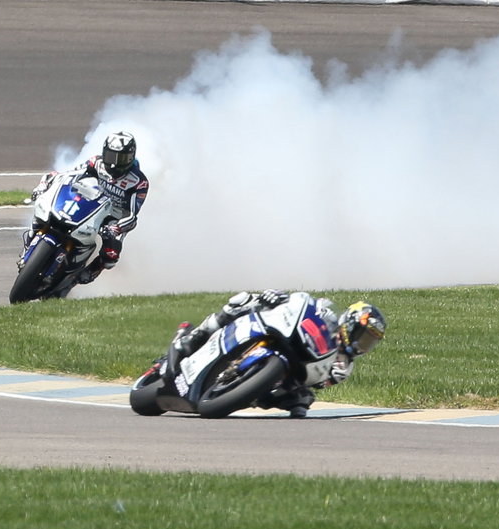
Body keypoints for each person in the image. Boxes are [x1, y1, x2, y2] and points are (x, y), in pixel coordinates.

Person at [166, 290, 387, 417]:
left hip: (289, 376)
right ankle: (195, 335)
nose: (362, 345)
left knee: (302, 401)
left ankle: (240, 393)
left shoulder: (344, 367)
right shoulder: (327, 315)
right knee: (242, 301)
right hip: (286, 337)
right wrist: (279, 297)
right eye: (363, 336)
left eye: (369, 342)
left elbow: (318, 385)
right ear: (349, 324)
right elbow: (303, 304)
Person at [25, 131, 149, 283]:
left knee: (111, 254)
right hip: (90, 201)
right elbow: (69, 175)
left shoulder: (139, 181)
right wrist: (44, 184)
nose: (114, 163)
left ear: (130, 157)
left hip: (114, 217)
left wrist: (116, 228)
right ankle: (31, 240)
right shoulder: (95, 162)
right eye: (111, 156)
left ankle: (93, 269)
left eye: (121, 158)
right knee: (46, 211)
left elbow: (132, 215)